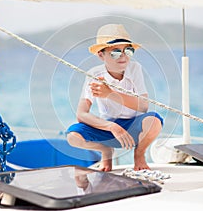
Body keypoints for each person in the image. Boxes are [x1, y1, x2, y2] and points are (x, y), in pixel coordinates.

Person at [66, 24, 163, 171]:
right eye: (116, 52)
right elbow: (81, 114)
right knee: (72, 136)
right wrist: (111, 126)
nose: (123, 56)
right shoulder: (94, 75)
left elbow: (143, 106)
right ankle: (106, 151)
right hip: (109, 129)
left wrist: (110, 94)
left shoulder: (135, 69)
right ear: (101, 54)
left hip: (133, 126)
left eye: (128, 51)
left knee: (154, 121)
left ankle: (139, 155)